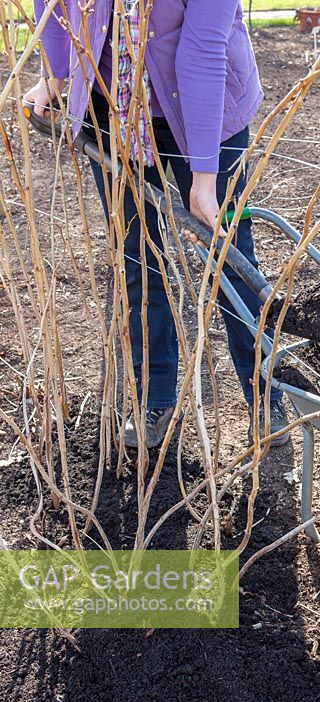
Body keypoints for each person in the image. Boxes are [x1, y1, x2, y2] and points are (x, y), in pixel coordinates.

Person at [24, 0, 289, 448]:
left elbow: (203, 48)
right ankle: (157, 397)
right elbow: (55, 5)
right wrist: (57, 76)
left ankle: (264, 398)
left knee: (229, 256)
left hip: (207, 108)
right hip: (111, 108)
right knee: (136, 254)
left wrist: (204, 177)